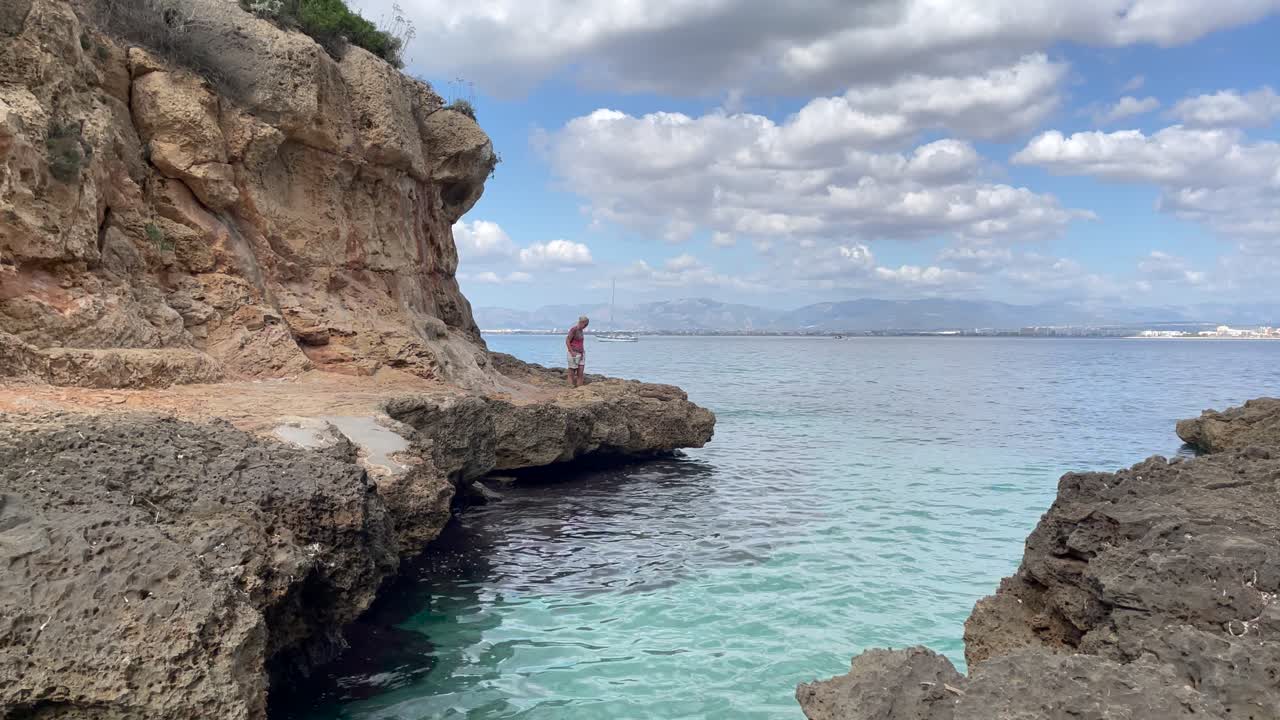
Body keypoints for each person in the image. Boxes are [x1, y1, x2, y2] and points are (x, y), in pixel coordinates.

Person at [565, 315, 588, 387]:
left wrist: (582, 352)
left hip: (581, 354)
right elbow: (567, 340)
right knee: (571, 372)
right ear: (581, 322)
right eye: (585, 324)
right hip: (573, 353)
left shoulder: (581, 331)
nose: (586, 326)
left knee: (580, 373)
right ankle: (570, 388)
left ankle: (579, 389)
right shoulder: (574, 329)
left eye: (587, 324)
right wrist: (571, 352)